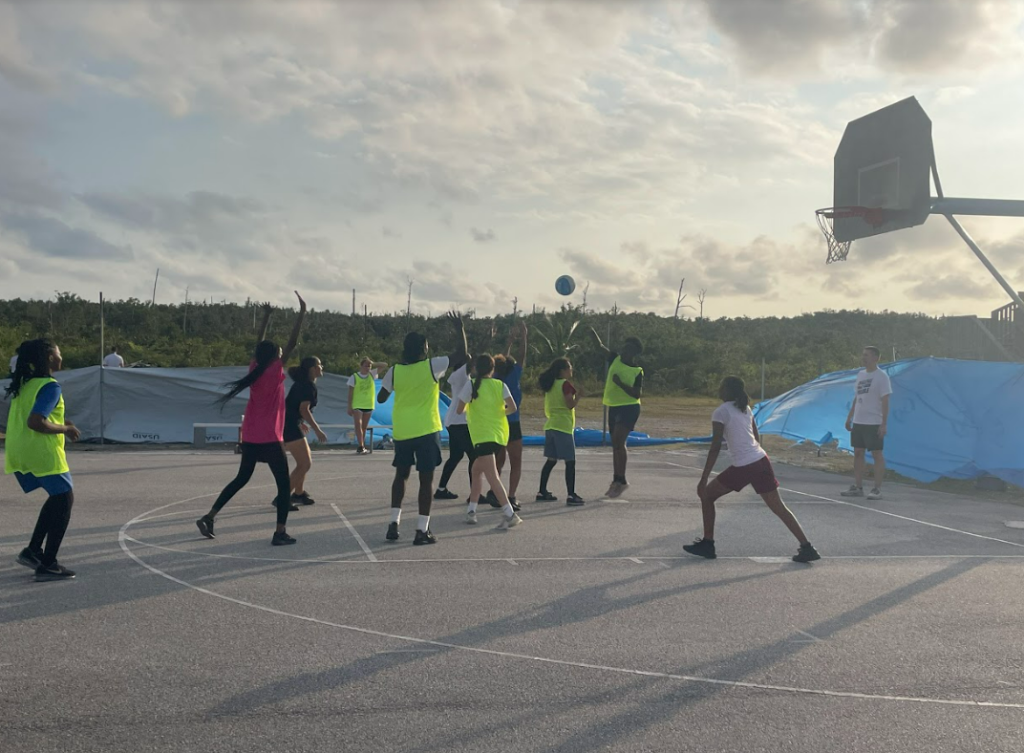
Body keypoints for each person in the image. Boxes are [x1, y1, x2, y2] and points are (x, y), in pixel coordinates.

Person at [196, 292, 307, 546]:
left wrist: (266, 317)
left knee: (241, 478)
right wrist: (301, 313)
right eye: (279, 352)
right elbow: (292, 341)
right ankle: (279, 532)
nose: (282, 352)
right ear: (276, 357)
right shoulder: (275, 369)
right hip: (269, 436)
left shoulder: (254, 368)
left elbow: (260, 344)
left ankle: (210, 516)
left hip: (252, 435)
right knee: (282, 487)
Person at [684, 376, 820, 563]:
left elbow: (715, 446)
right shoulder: (745, 408)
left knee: (707, 495)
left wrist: (703, 478)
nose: (719, 389)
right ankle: (807, 546)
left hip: (745, 465)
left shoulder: (721, 412)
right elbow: (755, 436)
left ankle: (708, 544)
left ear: (728, 391)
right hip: (761, 460)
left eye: (721, 386)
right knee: (779, 507)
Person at [377, 312, 467, 545]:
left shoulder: (395, 370)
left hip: (403, 430)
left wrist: (394, 385)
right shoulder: (432, 366)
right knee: (425, 480)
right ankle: (421, 530)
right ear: (423, 348)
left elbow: (382, 397)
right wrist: (460, 328)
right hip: (426, 429)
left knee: (401, 475)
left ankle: (393, 524)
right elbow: (462, 355)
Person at [4, 339, 82, 581]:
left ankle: (33, 551)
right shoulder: (50, 386)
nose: (61, 356)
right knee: (64, 499)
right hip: (41, 452)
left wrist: (62, 422)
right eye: (58, 352)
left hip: (19, 448)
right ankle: (48, 564)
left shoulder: (26, 384)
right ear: (50, 357)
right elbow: (36, 421)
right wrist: (65, 429)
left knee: (57, 497)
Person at [457, 353, 522, 528]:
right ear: (492, 370)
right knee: (476, 470)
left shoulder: (470, 385)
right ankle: (471, 511)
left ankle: (510, 514)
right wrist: (498, 412)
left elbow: (459, 410)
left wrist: (474, 411)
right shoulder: (500, 385)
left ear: (476, 368)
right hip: (499, 435)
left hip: (482, 436)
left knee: (492, 476)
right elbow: (512, 407)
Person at [590, 328, 644, 498]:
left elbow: (637, 393)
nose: (624, 350)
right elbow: (599, 347)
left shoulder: (637, 371)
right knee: (616, 444)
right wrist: (592, 332)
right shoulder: (614, 358)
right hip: (614, 406)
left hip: (630, 407)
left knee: (619, 441)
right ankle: (617, 480)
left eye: (628, 349)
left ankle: (622, 480)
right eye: (624, 347)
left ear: (634, 353)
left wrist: (620, 384)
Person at [841, 346, 892, 500]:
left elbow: (885, 400)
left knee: (876, 454)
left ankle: (877, 489)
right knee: (858, 453)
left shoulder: (881, 377)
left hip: (873, 421)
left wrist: (883, 424)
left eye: (867, 355)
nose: (864, 358)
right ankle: (858, 486)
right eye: (863, 355)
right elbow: (858, 397)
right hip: (859, 421)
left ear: (876, 357)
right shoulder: (861, 375)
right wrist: (850, 417)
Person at [280, 356, 328, 508]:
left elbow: (293, 407)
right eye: (320, 365)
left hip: (291, 423)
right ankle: (282, 498)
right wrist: (317, 429)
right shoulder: (307, 386)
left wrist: (301, 422)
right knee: (305, 464)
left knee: (303, 462)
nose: (322, 367)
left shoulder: (303, 384)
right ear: (312, 369)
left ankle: (299, 493)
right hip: (289, 426)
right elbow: (303, 409)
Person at [536, 357, 584, 505]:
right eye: (569, 368)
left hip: (551, 426)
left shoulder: (550, 385)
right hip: (562, 427)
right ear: (563, 371)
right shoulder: (565, 385)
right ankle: (571, 495)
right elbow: (570, 404)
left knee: (551, 460)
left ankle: (542, 491)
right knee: (570, 461)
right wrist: (579, 397)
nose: (571, 370)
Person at [494, 320, 527, 507]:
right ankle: (511, 496)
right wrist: (524, 336)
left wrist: (509, 341)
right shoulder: (513, 374)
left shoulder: (496, 377)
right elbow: (521, 356)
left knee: (498, 462)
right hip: (512, 422)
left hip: (498, 422)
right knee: (515, 462)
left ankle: (496, 493)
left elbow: (503, 359)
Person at [434, 358, 476, 500]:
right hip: (459, 423)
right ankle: (474, 494)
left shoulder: (463, 376)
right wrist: (487, 338)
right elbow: (470, 359)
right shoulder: (461, 374)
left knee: (456, 456)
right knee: (474, 457)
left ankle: (441, 489)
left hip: (455, 421)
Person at [347, 357, 387, 454]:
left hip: (368, 404)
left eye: (369, 366)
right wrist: (349, 406)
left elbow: (384, 365)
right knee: (358, 424)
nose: (367, 368)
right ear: (361, 366)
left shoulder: (372, 374)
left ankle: (362, 445)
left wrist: (374, 363)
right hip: (357, 404)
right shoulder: (355, 377)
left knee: (364, 427)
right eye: (365, 366)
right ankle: (360, 445)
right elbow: (350, 393)